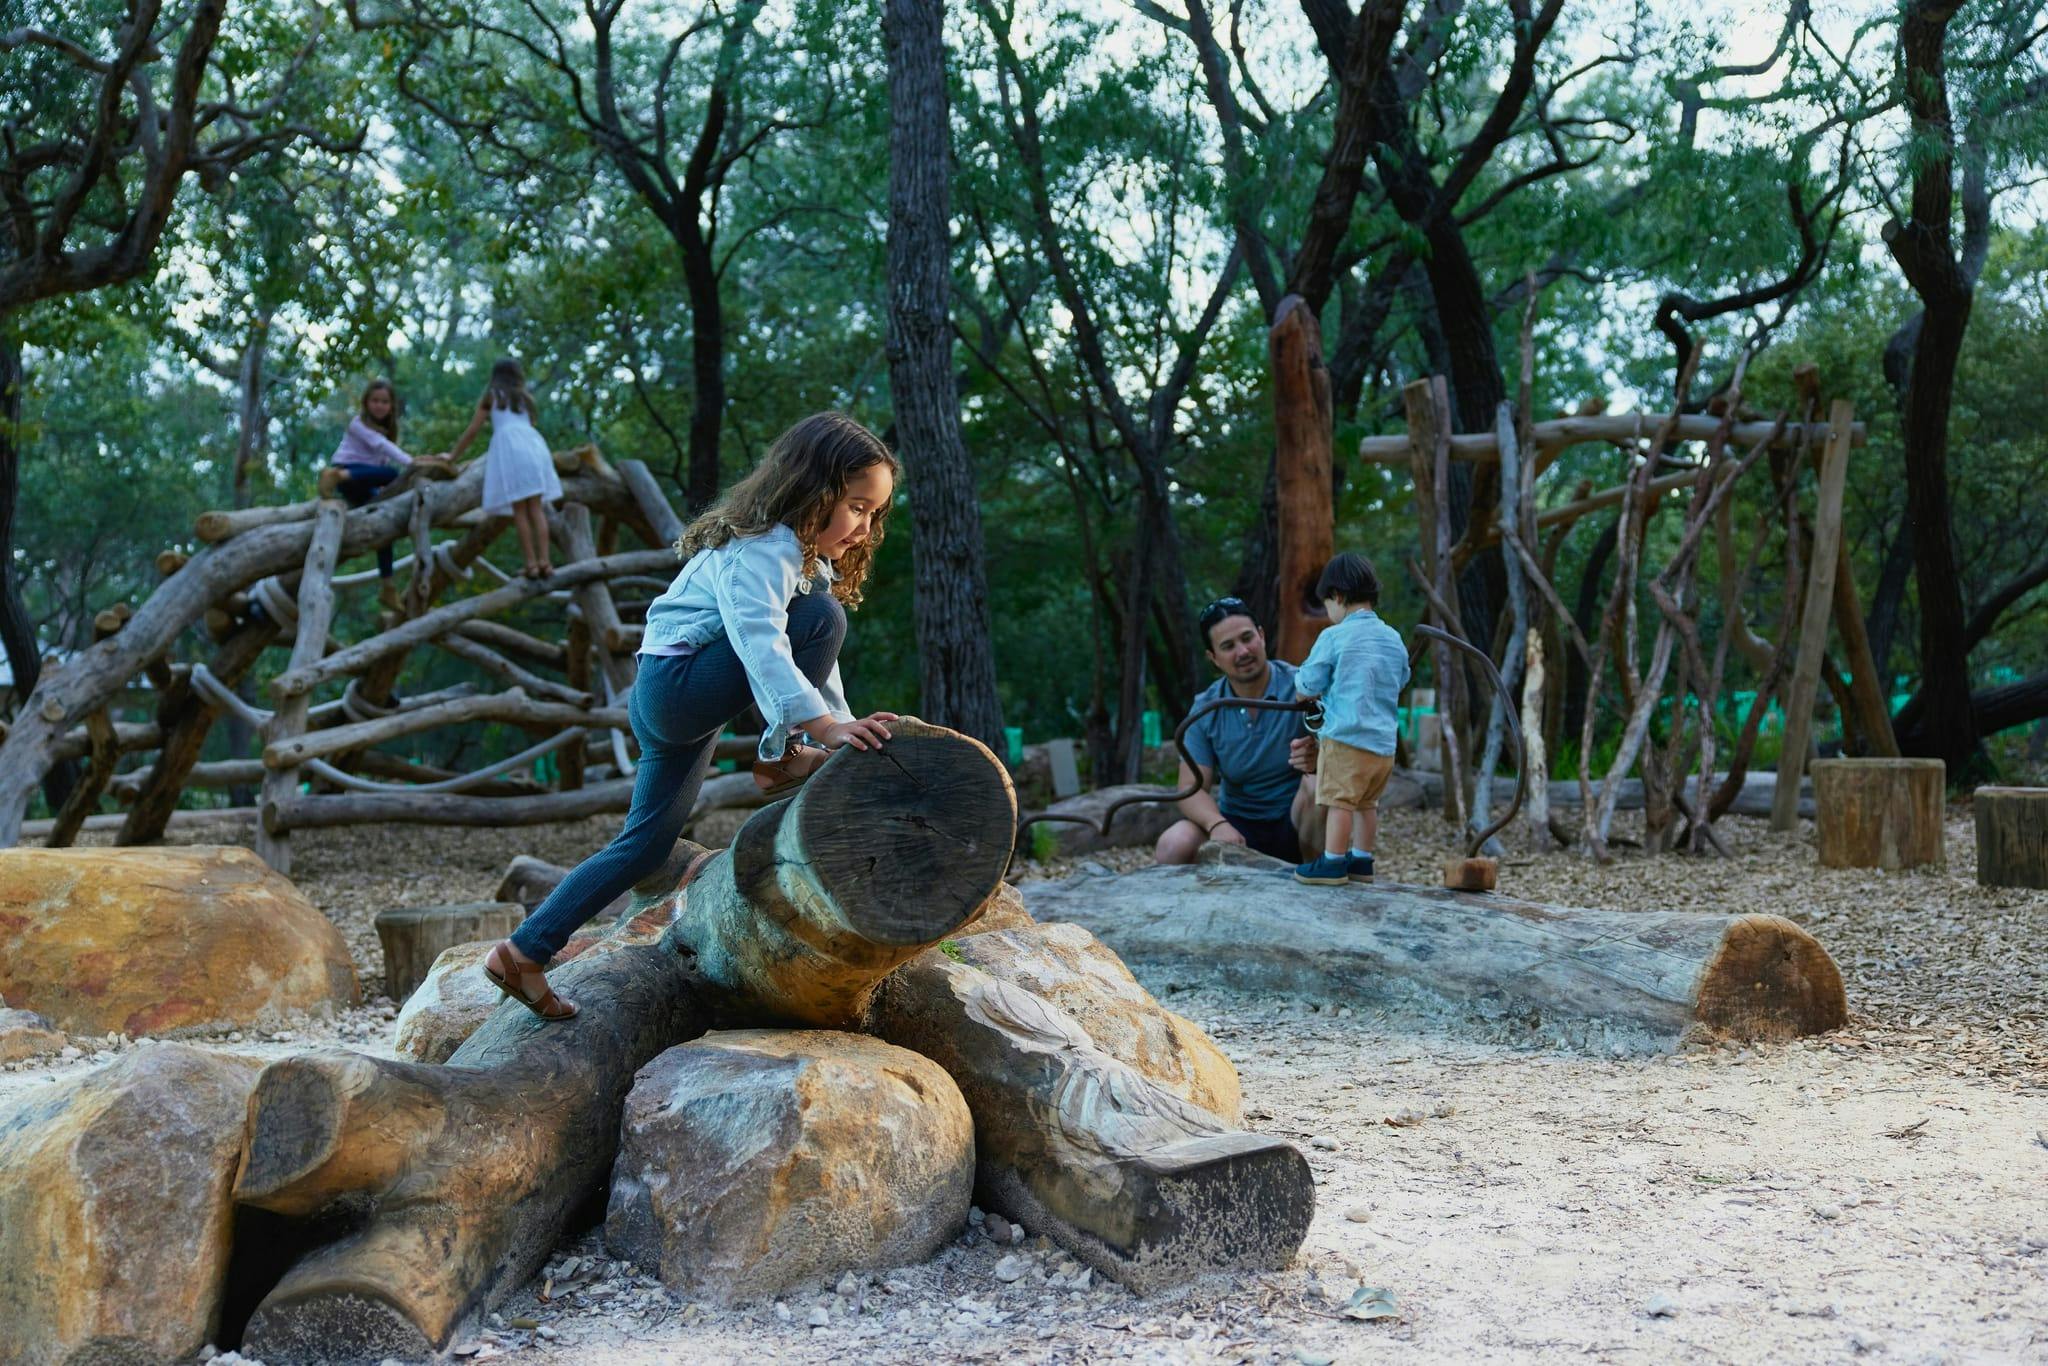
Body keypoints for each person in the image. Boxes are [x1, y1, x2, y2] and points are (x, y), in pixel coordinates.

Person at [481, 412, 902, 1020]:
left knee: (647, 847)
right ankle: (778, 760)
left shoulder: (801, 561)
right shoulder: (764, 550)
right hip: (677, 688)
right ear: (816, 489)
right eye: (858, 507)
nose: (864, 529)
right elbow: (764, 643)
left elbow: (817, 664)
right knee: (823, 618)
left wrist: (839, 725)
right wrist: (815, 731)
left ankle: (522, 953)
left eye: (874, 515)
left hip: (672, 699)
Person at [1154, 596, 1320, 866]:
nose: (1243, 652)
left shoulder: (1304, 687)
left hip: (1298, 822)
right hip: (1237, 830)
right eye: (1228, 646)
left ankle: (1319, 878)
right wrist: (1216, 823)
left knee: (1318, 786)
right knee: (1174, 843)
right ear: (1213, 658)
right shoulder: (1205, 708)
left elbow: (1347, 756)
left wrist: (1319, 759)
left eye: (1247, 638)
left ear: (1262, 636)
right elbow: (1189, 788)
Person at [1291, 553, 1409, 885]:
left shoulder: (1335, 636)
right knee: (1367, 803)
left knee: (1339, 801)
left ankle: (1332, 862)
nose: (1329, 614)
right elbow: (1401, 679)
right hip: (1384, 746)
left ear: (1338, 597)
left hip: (1346, 739)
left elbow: (1309, 682)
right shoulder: (1393, 638)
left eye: (1328, 604)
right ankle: (1362, 861)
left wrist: (1303, 692)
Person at [445, 357, 565, 579]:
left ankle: (531, 564)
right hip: (535, 448)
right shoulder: (525, 399)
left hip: (511, 451)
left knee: (520, 510)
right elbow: (528, 425)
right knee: (536, 508)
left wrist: (453, 456)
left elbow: (473, 430)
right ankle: (545, 562)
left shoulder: (492, 396)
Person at [318, 379, 416, 607]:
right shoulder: (358, 424)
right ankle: (335, 477)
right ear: (366, 403)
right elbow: (384, 450)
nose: (379, 406)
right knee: (393, 473)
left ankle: (388, 586)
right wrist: (413, 464)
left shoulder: (387, 431)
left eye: (384, 402)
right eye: (375, 401)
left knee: (384, 525)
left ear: (391, 405)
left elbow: (378, 463)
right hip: (346, 475)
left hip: (363, 483)